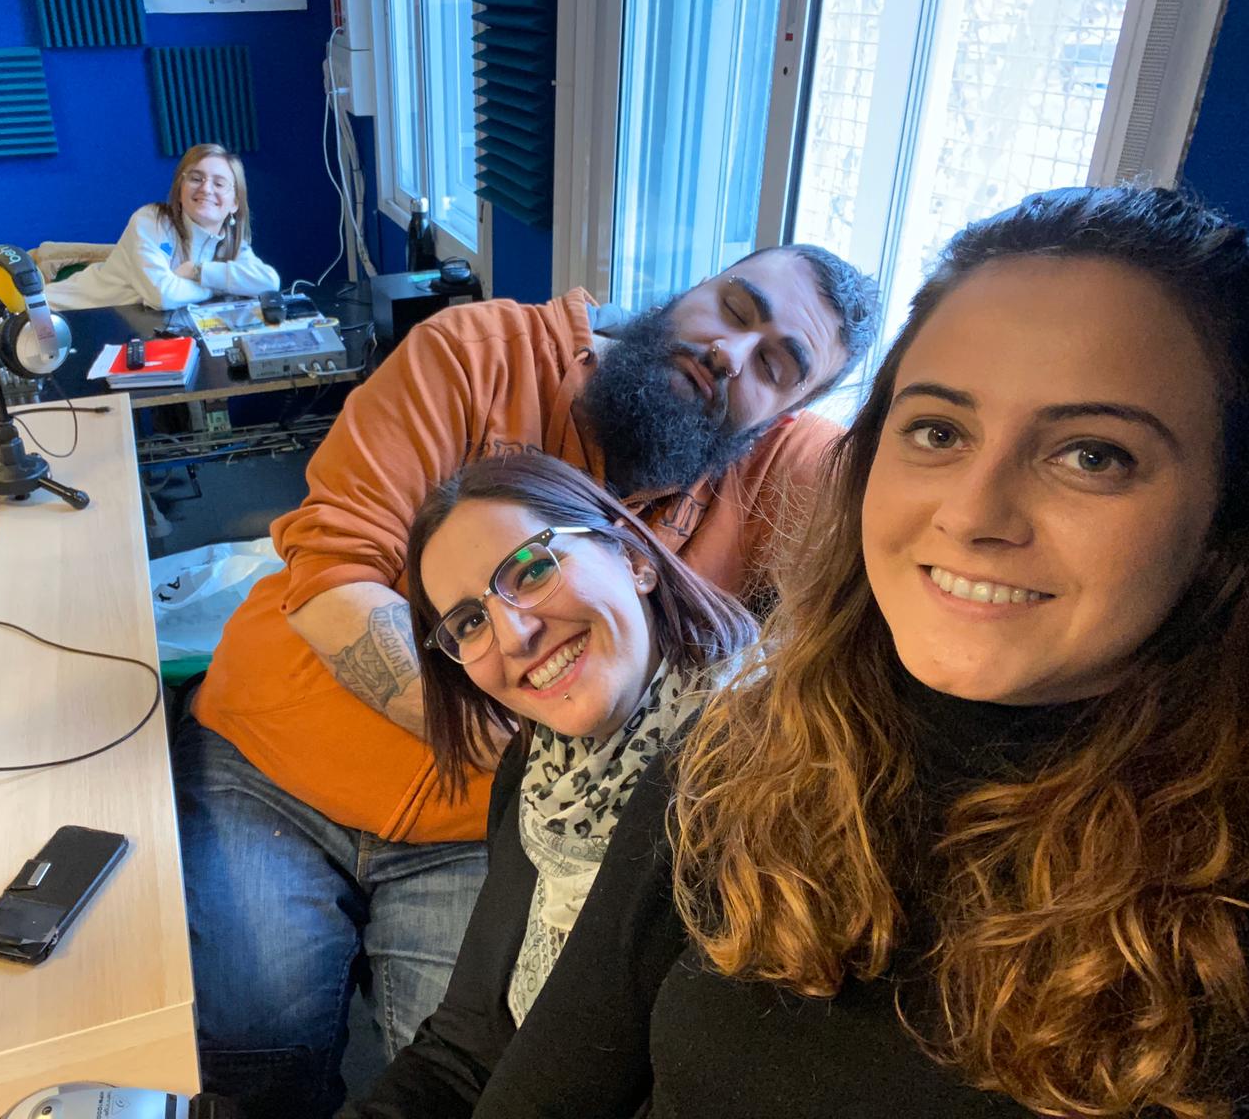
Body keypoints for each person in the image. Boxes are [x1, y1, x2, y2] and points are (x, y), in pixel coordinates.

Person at [468, 186, 1249, 1118]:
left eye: (1093, 454)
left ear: (1226, 519)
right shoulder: (735, 763)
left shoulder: (1230, 920)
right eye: (938, 431)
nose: (971, 514)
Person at [178, 243, 880, 1119]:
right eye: (736, 308)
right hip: (276, 762)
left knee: (485, 1064)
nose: (729, 353)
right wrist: (526, 722)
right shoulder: (476, 351)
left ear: (791, 411)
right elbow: (333, 572)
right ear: (695, 287)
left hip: (485, 834)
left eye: (777, 365)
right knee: (254, 1043)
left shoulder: (783, 471)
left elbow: (899, 511)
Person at [340, 453, 754, 1118]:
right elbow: (466, 1049)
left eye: (532, 570)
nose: (514, 635)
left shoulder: (761, 782)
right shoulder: (537, 774)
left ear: (634, 559)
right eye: (470, 622)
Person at [44, 143, 279, 312]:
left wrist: (198, 271)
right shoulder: (150, 221)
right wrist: (219, 287)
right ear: (180, 189)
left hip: (130, 328)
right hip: (64, 316)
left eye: (219, 183)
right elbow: (163, 295)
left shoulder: (230, 242)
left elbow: (268, 283)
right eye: (196, 178)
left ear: (235, 203)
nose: (206, 189)